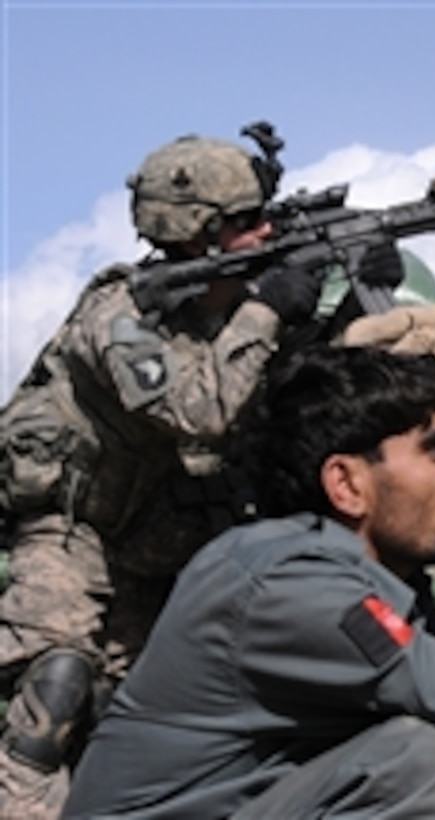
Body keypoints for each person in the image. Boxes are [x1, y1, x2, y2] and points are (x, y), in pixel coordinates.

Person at [64, 344, 435, 819]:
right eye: (434, 450)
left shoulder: (360, 582)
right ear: (346, 484)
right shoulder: (293, 589)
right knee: (419, 762)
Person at [0, 126, 325, 818]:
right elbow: (200, 410)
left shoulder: (233, 313)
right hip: (70, 525)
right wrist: (268, 307)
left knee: (142, 712)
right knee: (56, 685)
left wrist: (350, 291)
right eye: (244, 223)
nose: (263, 230)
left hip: (161, 537)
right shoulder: (120, 314)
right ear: (195, 235)